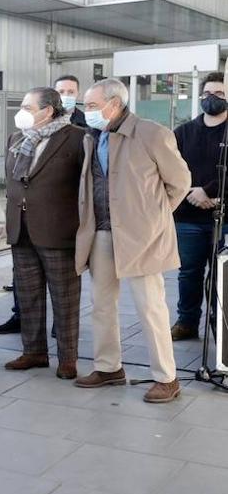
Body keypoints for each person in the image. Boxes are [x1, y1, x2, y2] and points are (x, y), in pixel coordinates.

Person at [74, 78, 191, 402]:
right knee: (101, 304)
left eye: (93, 105)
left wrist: (154, 217)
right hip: (101, 232)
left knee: (150, 307)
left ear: (115, 103)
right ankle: (109, 367)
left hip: (142, 237)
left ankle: (167, 378)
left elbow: (180, 182)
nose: (88, 111)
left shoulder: (151, 133)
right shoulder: (93, 136)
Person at [0, 88, 87, 379]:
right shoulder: (16, 139)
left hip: (58, 231)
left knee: (64, 298)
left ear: (47, 111)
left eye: (27, 106)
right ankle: (34, 351)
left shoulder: (76, 138)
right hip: (21, 229)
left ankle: (67, 358)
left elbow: (85, 186)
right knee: (28, 296)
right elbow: (14, 184)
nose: (21, 111)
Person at [170, 71, 227, 341]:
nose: (212, 98)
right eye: (207, 93)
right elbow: (170, 169)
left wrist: (209, 192)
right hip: (188, 217)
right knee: (189, 272)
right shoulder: (183, 132)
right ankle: (186, 322)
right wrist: (193, 192)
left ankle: (220, 326)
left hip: (224, 216)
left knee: (221, 277)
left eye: (219, 93)